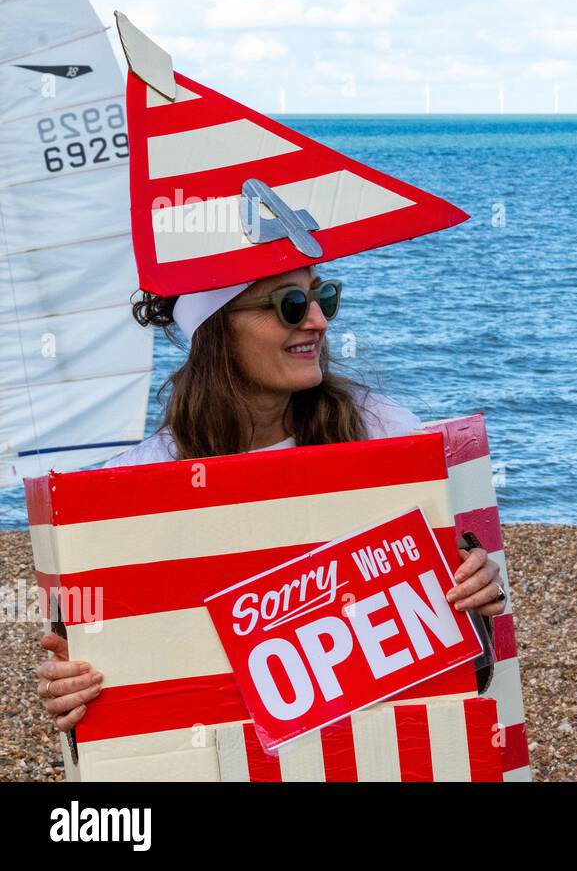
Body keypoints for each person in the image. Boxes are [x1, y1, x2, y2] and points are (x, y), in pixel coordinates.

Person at [34, 264, 505, 733]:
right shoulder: (135, 483)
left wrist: (475, 588)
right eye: (291, 305)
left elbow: (462, 656)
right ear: (217, 329)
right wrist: (75, 684)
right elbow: (119, 657)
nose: (319, 321)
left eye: (323, 298)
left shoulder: (381, 431)